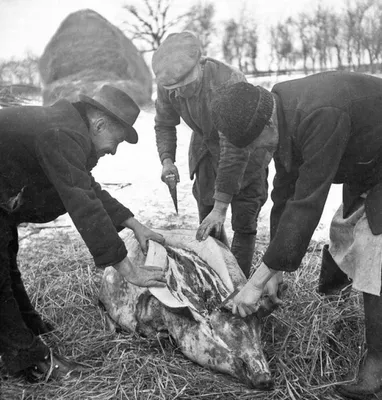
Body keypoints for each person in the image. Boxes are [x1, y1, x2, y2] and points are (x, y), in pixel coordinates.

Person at [204, 72, 382, 399]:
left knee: (374, 251)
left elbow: (307, 202)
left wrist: (256, 282)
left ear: (269, 128)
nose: (261, 156)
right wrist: (272, 271)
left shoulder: (320, 113)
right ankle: (338, 314)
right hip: (367, 161)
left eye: (259, 148)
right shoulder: (278, 108)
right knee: (343, 236)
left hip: (376, 159)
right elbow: (285, 194)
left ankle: (377, 366)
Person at [0, 85, 166, 382]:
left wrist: (134, 224)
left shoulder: (66, 127)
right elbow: (82, 203)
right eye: (116, 141)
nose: (113, 150)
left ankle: (30, 327)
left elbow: (85, 187)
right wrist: (127, 269)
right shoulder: (62, 133)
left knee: (6, 258)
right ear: (100, 123)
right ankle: (30, 360)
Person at [152, 31, 271, 278]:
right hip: (206, 148)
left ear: (200, 65)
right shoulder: (168, 81)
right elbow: (164, 122)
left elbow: (233, 148)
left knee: (243, 220)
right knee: (208, 217)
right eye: (173, 90)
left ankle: (238, 285)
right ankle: (217, 276)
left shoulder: (229, 82)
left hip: (244, 152)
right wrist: (167, 160)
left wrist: (222, 205)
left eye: (184, 87)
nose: (179, 94)